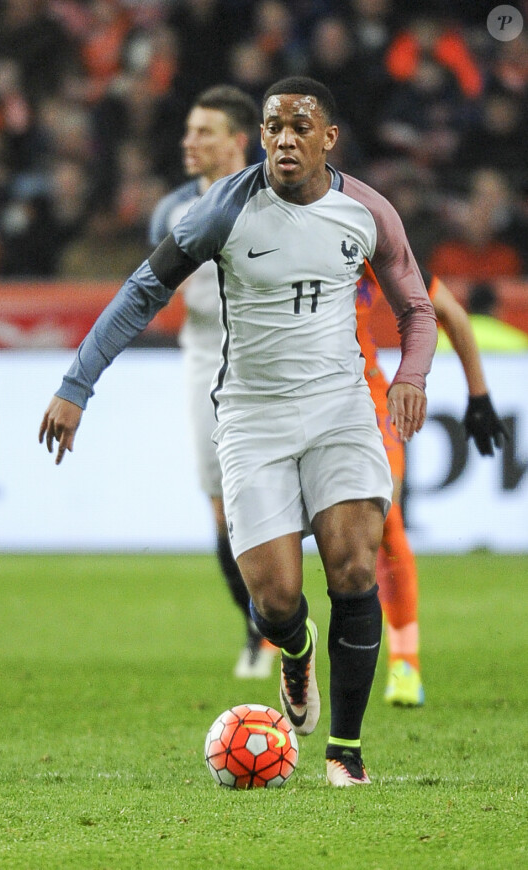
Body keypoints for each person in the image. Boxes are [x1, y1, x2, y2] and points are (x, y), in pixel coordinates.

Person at [39, 76, 437, 787]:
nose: (284, 138)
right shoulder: (220, 211)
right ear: (261, 137)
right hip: (253, 417)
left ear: (328, 138)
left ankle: (345, 752)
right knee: (276, 601)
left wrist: (410, 377)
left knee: (353, 565)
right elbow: (141, 291)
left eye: (299, 126)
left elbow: (418, 309)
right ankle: (294, 648)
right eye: (273, 126)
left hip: (342, 406)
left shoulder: (367, 211)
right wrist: (77, 385)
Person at [149, 84, 277, 679]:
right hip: (205, 358)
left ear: (238, 139)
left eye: (204, 131)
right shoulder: (172, 213)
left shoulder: (279, 199)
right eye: (188, 130)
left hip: (275, 357)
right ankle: (259, 626)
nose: (189, 141)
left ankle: (285, 619)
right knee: (223, 513)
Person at [357, 264, 509, 706]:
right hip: (290, 401)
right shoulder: (275, 234)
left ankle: (405, 664)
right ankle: (290, 642)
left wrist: (478, 396)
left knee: (384, 523)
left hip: (365, 401)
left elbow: (449, 313)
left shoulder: (368, 233)